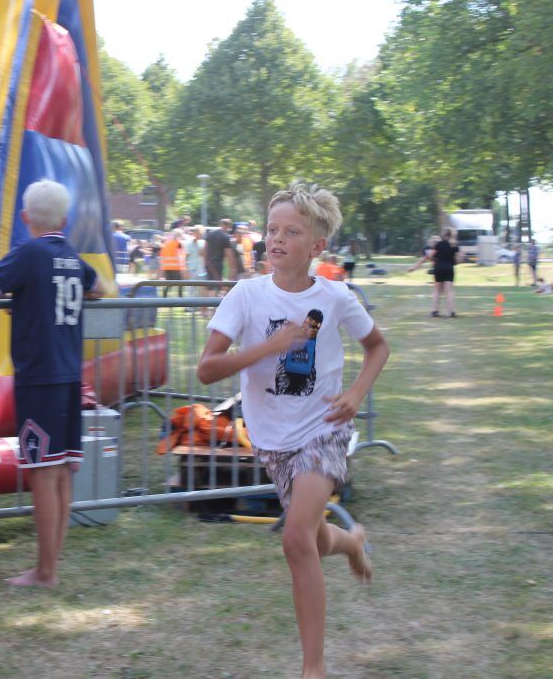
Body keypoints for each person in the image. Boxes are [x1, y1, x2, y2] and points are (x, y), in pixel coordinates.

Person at [197, 182, 389, 679]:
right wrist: (270, 345)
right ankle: (349, 541)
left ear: (317, 246)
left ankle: (313, 669)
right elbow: (207, 370)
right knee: (311, 541)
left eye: (292, 232)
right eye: (272, 230)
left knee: (294, 539)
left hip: (324, 431)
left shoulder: (335, 296)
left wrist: (356, 394)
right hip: (271, 440)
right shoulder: (246, 295)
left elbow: (377, 346)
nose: (277, 239)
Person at [0, 179, 104, 588]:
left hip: (39, 378)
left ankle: (45, 571)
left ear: (26, 217)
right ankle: (50, 567)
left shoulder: (28, 253)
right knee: (61, 472)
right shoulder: (72, 257)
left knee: (42, 473)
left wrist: (19, 297)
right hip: (69, 375)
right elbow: (98, 287)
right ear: (65, 220)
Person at [428, 227, 461, 317]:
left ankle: (435, 311)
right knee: (449, 291)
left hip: (438, 268)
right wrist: (453, 260)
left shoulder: (439, 244)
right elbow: (458, 260)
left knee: (437, 290)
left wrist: (435, 259)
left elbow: (430, 255)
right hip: (449, 268)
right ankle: (450, 312)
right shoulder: (454, 245)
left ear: (443, 234)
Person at [159, 228, 187, 296]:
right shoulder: (178, 243)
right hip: (175, 267)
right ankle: (180, 297)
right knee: (180, 283)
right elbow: (182, 254)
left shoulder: (166, 243)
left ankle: (164, 296)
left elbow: (162, 254)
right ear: (179, 235)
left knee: (169, 283)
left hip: (167, 266)